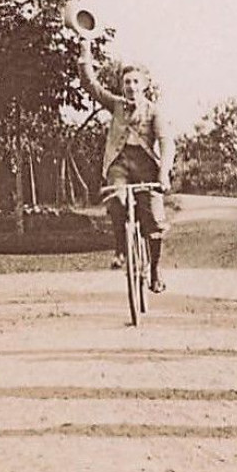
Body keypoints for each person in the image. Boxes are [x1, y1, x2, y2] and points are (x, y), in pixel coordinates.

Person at [77, 38, 175, 293]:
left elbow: (166, 143)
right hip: (119, 165)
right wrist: (85, 49)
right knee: (117, 199)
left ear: (144, 85)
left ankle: (154, 271)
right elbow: (91, 85)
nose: (131, 86)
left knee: (153, 222)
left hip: (146, 169)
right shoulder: (116, 105)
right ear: (122, 86)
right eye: (127, 82)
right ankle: (120, 249)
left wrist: (163, 174)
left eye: (135, 82)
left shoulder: (155, 112)